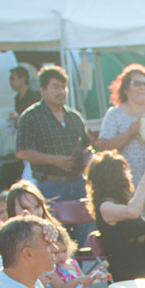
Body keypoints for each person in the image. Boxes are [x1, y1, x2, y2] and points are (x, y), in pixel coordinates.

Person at [84, 151, 145, 287]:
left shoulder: (120, 206)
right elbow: (132, 212)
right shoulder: (105, 207)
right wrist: (144, 182)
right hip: (133, 276)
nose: (128, 177)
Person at [15, 66, 91, 209]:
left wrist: (90, 160)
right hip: (49, 186)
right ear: (42, 90)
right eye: (55, 87)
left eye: (64, 87)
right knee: (55, 230)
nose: (61, 91)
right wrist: (55, 160)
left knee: (84, 229)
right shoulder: (30, 116)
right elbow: (22, 151)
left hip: (78, 184)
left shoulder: (74, 117)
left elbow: (86, 146)